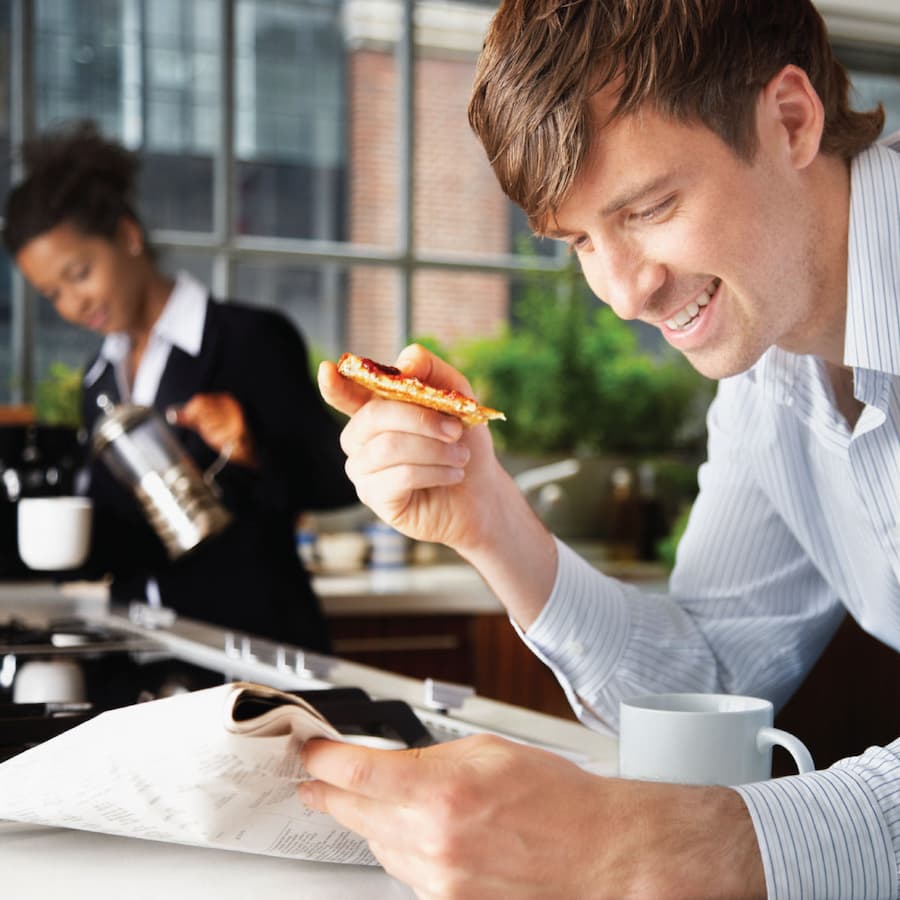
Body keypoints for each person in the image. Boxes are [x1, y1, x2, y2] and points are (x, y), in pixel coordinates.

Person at [303, 1, 900, 897]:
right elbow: (711, 675)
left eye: (650, 207)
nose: (624, 294)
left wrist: (683, 845)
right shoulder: (763, 378)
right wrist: (488, 514)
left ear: (790, 119)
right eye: (582, 240)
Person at [2, 123, 357, 652]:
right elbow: (127, 532)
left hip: (251, 650)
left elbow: (338, 480)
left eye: (79, 273)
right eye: (52, 293)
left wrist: (250, 448)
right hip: (137, 648)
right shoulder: (98, 378)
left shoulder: (249, 340)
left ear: (127, 236)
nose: (72, 304)